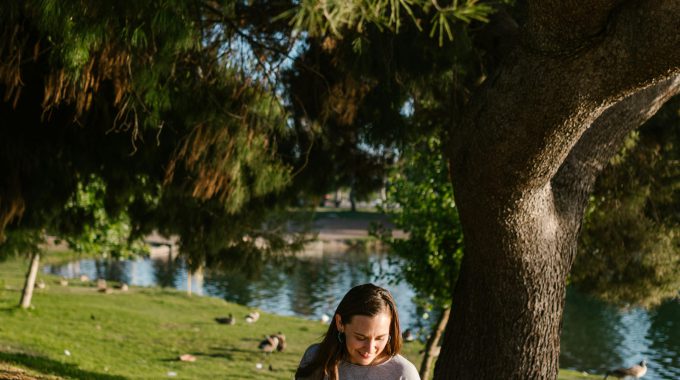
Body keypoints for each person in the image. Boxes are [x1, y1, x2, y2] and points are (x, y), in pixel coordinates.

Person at [296, 283, 421, 380]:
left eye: (380, 338)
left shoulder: (404, 374)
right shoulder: (315, 358)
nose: (370, 348)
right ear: (340, 323)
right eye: (361, 337)